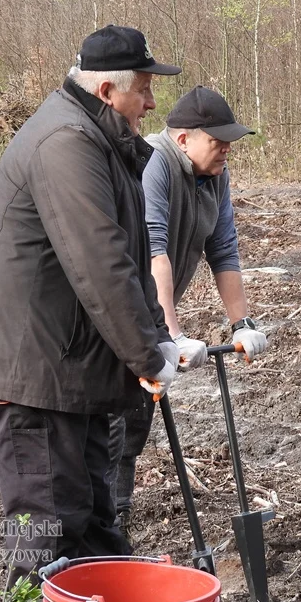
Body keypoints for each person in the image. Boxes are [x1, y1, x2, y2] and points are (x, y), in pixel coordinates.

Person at [0, 25, 182, 591]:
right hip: (35, 374)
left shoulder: (96, 138)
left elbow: (127, 249)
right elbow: (99, 263)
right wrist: (148, 355)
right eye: (143, 89)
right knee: (45, 545)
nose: (151, 103)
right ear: (106, 90)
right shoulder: (66, 144)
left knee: (95, 531)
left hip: (68, 367)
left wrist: (156, 335)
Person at [108, 85, 269, 536]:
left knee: (138, 415)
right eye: (218, 141)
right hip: (118, 311)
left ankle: (115, 515)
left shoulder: (215, 174)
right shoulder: (156, 163)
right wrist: (171, 335)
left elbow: (224, 249)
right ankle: (102, 523)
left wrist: (242, 323)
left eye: (230, 142)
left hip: (148, 313)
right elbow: (153, 249)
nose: (227, 150)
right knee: (113, 421)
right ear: (184, 139)